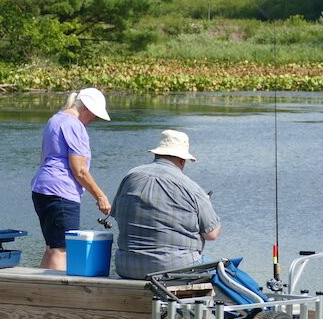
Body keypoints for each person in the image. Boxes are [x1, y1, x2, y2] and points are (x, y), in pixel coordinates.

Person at [112, 129, 221, 279]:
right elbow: (211, 233)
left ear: (157, 154)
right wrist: (206, 204)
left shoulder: (130, 177)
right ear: (183, 160)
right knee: (226, 272)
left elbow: (116, 215)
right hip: (174, 270)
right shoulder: (192, 188)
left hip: (125, 267)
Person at [30, 88, 112, 270]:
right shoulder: (74, 125)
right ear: (86, 109)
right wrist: (100, 196)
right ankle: (55, 297)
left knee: (52, 248)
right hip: (61, 192)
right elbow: (80, 170)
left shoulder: (55, 120)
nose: (94, 120)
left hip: (41, 189)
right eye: (95, 116)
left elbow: (43, 157)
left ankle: (39, 293)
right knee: (61, 250)